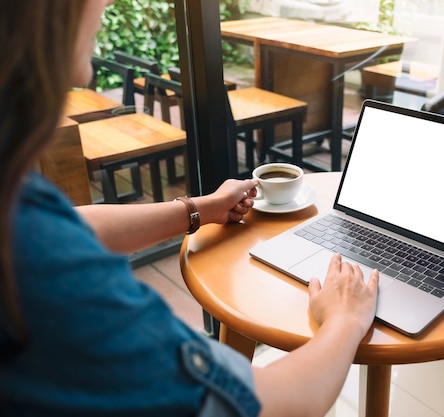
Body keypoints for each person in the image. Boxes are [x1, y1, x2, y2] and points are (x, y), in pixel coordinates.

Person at [0, 1, 379, 416]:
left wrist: (202, 209)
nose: (107, 1)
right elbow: (271, 406)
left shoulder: (19, 207)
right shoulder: (48, 282)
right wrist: (345, 319)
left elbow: (65, 227)